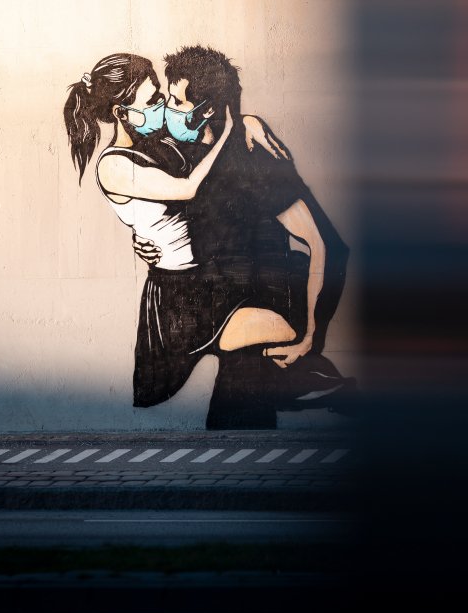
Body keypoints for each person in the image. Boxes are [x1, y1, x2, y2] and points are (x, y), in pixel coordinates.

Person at [134, 45, 355, 428]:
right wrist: (147, 239)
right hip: (209, 314)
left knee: (234, 420)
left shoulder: (253, 161)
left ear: (206, 110)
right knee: (233, 427)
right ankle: (318, 386)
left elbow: (324, 245)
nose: (168, 110)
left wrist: (309, 338)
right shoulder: (179, 155)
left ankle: (321, 384)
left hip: (251, 320)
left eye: (177, 102)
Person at [63, 51, 293, 413]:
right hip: (177, 295)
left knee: (276, 332)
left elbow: (200, 132)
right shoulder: (114, 166)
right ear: (122, 113)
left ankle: (298, 387)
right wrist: (231, 132)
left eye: (161, 96)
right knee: (280, 329)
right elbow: (187, 188)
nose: (162, 108)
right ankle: (309, 388)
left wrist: (248, 121)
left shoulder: (156, 145)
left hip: (205, 280)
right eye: (152, 101)